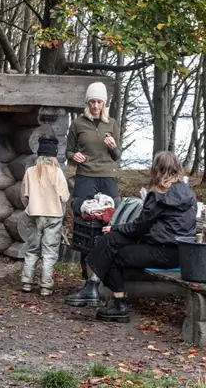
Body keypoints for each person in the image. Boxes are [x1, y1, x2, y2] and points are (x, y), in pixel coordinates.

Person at [86, 151, 196, 323]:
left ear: (156, 170)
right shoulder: (188, 193)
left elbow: (139, 227)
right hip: (181, 252)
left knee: (112, 252)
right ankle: (91, 286)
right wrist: (116, 231)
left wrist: (115, 227)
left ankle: (118, 303)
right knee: (111, 241)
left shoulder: (158, 195)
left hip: (162, 251)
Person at [64, 82, 122, 307]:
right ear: (87, 103)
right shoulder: (78, 124)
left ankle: (111, 280)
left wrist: (113, 146)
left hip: (107, 177)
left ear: (105, 104)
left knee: (111, 222)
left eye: (100, 102)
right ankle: (87, 283)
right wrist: (74, 156)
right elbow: (69, 151)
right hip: (85, 177)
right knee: (83, 223)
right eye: (93, 102)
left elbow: (117, 155)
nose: (96, 106)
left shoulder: (113, 123)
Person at [20, 136, 71, 296]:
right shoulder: (58, 173)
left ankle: (27, 282)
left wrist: (32, 205)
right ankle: (46, 286)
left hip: (34, 215)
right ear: (54, 156)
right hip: (53, 216)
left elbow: (24, 194)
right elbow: (65, 197)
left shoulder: (30, 172)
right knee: (49, 252)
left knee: (32, 250)